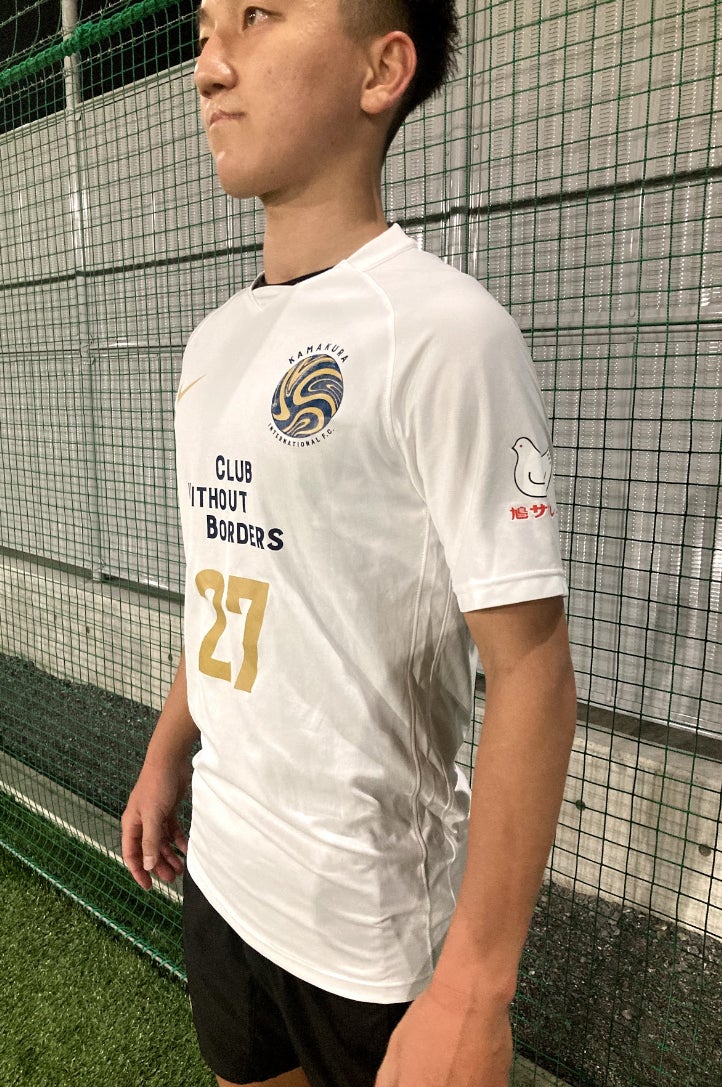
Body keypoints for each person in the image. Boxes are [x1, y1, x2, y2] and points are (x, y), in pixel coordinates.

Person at [121, 2, 578, 1085]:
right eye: (204, 31)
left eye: (257, 17)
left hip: (365, 932)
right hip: (224, 872)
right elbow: (235, 573)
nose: (209, 67)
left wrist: (474, 986)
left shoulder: (445, 333)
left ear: (382, 70)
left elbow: (531, 669)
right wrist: (167, 748)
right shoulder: (213, 342)